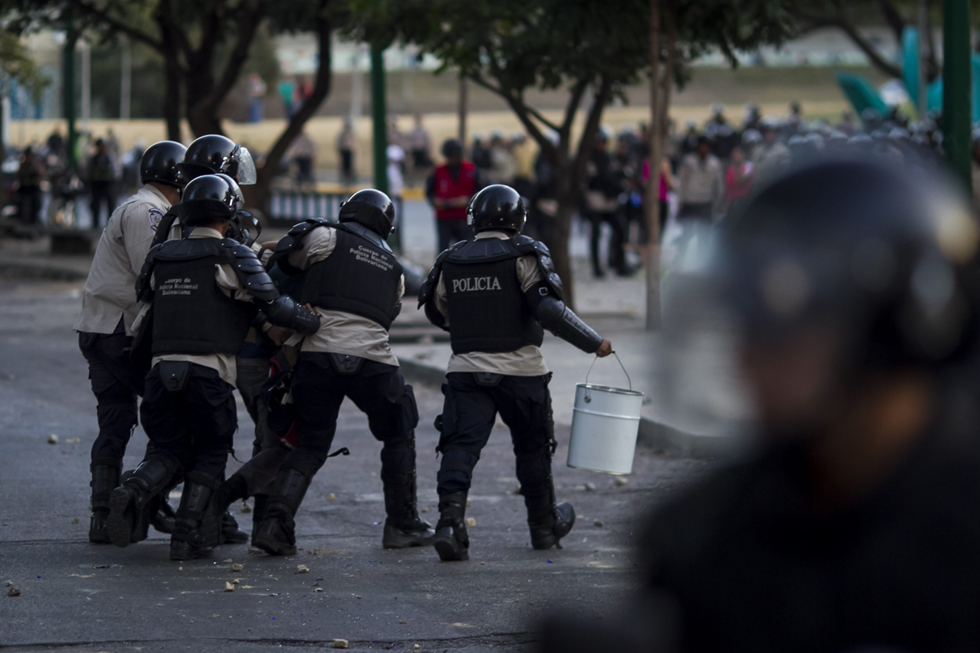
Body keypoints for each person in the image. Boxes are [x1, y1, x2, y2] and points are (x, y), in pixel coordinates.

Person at [541, 158, 980, 652]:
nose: (749, 360)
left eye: (784, 330)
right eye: (748, 326)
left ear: (903, 325)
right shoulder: (705, 534)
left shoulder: (962, 534)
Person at [107, 174, 320, 560]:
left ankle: (135, 488)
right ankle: (187, 534)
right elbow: (273, 305)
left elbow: (144, 294)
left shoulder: (161, 256)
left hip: (160, 369)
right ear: (230, 211)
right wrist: (311, 321)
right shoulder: (233, 255)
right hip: (208, 372)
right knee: (210, 450)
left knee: (168, 450)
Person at [418, 184, 614, 562]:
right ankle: (543, 526)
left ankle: (449, 524)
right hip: (522, 371)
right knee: (533, 449)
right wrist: (595, 342)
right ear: (517, 217)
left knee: (459, 447)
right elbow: (550, 312)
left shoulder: (451, 258)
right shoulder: (525, 253)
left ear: (474, 217)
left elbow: (437, 311)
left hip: (467, 370)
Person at [253, 189, 433, 556]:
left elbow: (282, 266)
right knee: (399, 431)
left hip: (318, 352)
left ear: (348, 211)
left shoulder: (324, 235)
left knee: (311, 443)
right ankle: (402, 524)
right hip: (373, 360)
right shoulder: (395, 268)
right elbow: (388, 314)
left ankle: (274, 524)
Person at [74, 140, 187, 545]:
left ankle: (103, 517)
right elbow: (151, 276)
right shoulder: (147, 212)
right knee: (173, 414)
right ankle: (144, 499)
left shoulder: (139, 206)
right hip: (120, 331)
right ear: (179, 177)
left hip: (100, 328)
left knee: (116, 422)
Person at [584, 131, 630, 278]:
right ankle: (597, 268)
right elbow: (594, 180)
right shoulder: (589, 160)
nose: (600, 145)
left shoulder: (608, 158)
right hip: (595, 201)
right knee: (596, 234)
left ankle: (618, 262)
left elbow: (614, 175)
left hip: (609, 202)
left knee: (621, 230)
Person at [426, 139, 481, 253]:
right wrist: (435, 201)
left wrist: (467, 200)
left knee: (467, 250)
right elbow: (429, 193)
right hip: (444, 219)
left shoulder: (472, 170)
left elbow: (480, 192)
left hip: (465, 219)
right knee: (443, 250)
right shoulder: (438, 171)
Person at [677, 136, 723, 223]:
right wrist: (680, 200)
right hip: (690, 202)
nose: (704, 148)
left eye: (706, 146)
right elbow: (682, 181)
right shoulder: (688, 161)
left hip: (706, 202)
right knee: (687, 231)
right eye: (702, 146)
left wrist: (717, 205)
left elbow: (719, 186)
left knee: (705, 232)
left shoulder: (715, 163)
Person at [751, 121, 792, 186]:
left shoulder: (782, 151)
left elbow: (784, 173)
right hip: (759, 187)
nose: (769, 135)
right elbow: (754, 170)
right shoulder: (757, 150)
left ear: (776, 134)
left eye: (772, 132)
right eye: (767, 132)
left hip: (775, 186)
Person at [88, 139, 117, 229]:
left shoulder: (110, 159)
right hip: (96, 185)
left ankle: (110, 225)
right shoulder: (93, 159)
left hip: (108, 185)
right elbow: (89, 172)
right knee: (95, 206)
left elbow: (116, 172)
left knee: (110, 206)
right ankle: (95, 225)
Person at [15, 146, 44, 225]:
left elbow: (41, 174)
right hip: (25, 190)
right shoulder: (23, 164)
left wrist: (36, 165)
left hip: (34, 189)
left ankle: (33, 223)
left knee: (35, 207)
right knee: (25, 208)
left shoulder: (35, 164)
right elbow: (19, 175)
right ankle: (25, 223)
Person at [723, 145, 753, 214]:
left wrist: (738, 166)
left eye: (739, 153)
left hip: (743, 203)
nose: (736, 155)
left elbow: (740, 180)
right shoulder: (729, 169)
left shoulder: (748, 166)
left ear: (743, 154)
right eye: (734, 153)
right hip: (731, 204)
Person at [337, 119, 356, 187]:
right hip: (344, 151)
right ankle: (344, 179)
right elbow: (339, 143)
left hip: (349, 150)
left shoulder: (350, 133)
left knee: (349, 165)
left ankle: (350, 179)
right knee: (344, 166)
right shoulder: (342, 134)